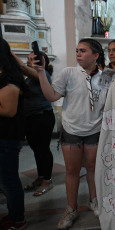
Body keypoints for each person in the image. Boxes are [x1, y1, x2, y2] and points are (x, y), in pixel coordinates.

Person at [32, 38, 106, 229]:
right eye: (77, 50)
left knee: (92, 168)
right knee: (72, 171)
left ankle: (94, 201)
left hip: (95, 130)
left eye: (83, 51)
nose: (78, 54)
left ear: (96, 55)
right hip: (72, 130)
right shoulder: (68, 73)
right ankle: (71, 208)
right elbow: (51, 96)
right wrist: (40, 73)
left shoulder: (106, 77)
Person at [14, 51, 56, 197]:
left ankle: (48, 180)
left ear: (41, 62)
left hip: (42, 116)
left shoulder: (43, 75)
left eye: (32, 59)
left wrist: (7, 51)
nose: (28, 61)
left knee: (43, 149)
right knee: (36, 149)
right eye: (28, 59)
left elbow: (23, 68)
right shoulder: (28, 79)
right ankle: (41, 176)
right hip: (29, 118)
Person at [0, 38, 27, 230]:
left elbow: (8, 110)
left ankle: (18, 219)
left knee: (9, 180)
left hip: (6, 137)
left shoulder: (9, 79)